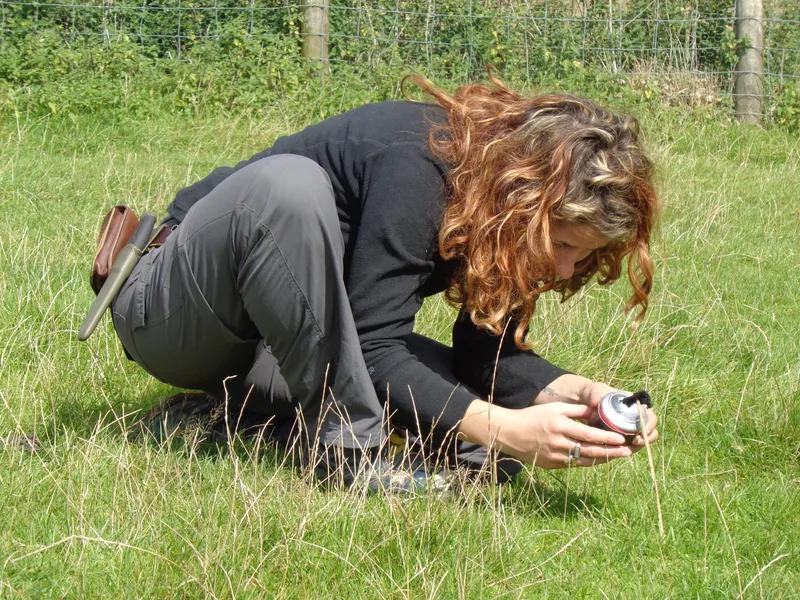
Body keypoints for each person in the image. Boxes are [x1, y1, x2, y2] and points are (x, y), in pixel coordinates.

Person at [111, 73, 660, 493]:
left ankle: (230, 417)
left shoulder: (504, 217)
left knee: (480, 446)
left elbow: (483, 358)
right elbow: (373, 348)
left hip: (277, 344)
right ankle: (347, 456)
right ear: (525, 196)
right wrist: (502, 426)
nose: (564, 269)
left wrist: (578, 395)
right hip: (174, 311)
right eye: (562, 244)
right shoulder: (420, 166)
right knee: (289, 187)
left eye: (580, 255)